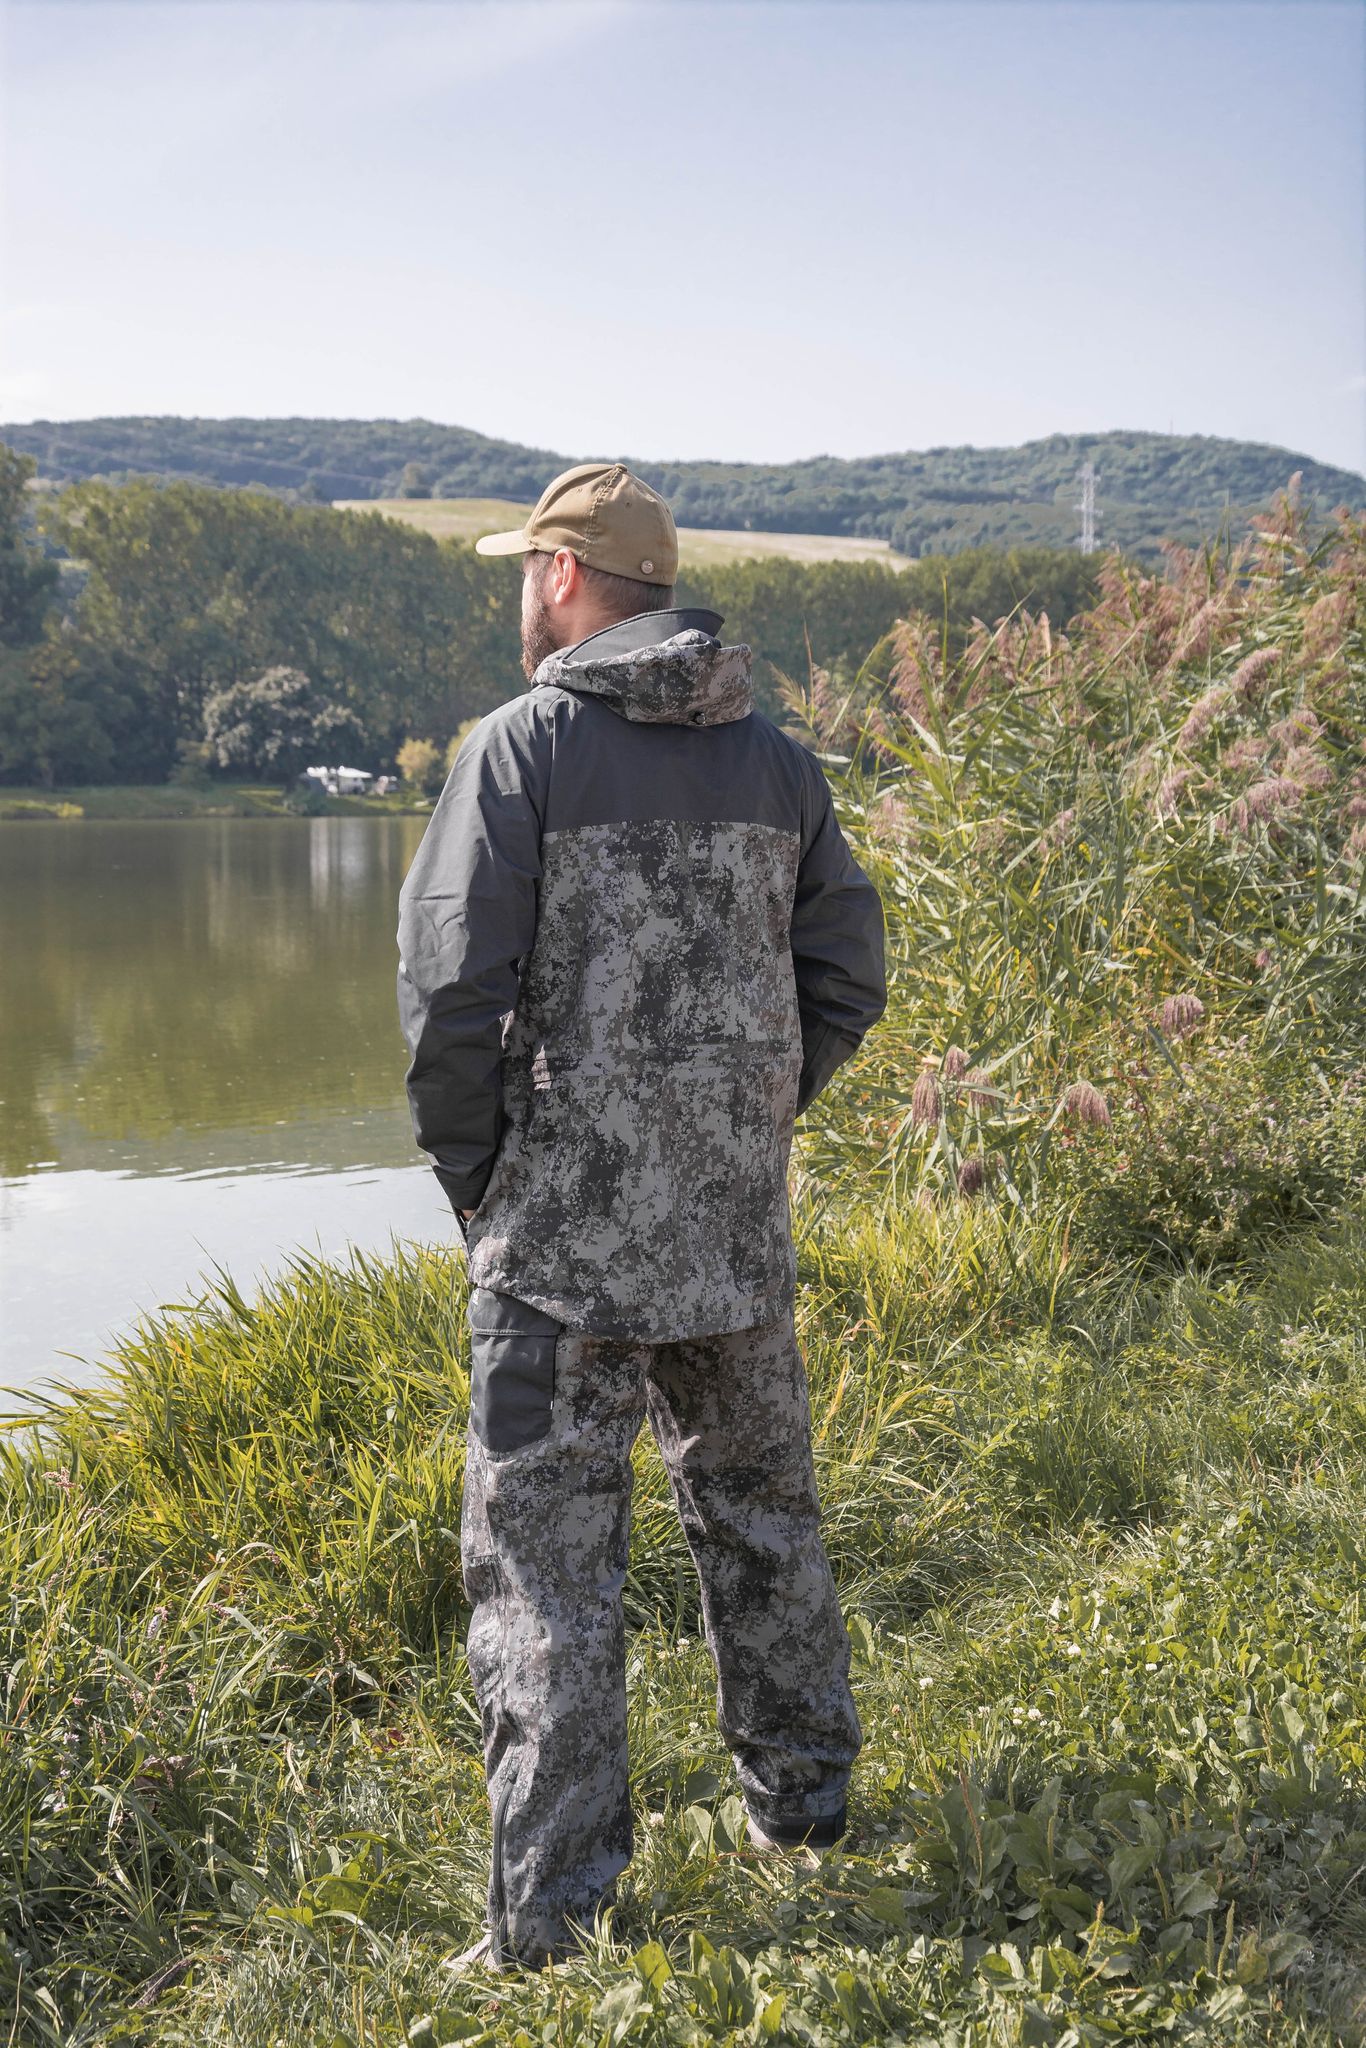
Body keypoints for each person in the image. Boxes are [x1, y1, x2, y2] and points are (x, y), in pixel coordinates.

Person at [395, 460, 886, 1972]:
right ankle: (802, 1814)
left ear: (558, 578)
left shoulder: (523, 746)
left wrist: (488, 1187)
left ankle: (551, 1923)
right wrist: (733, 1128)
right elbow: (844, 977)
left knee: (544, 1569)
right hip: (730, 1239)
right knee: (763, 1524)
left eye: (521, 573)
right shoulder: (780, 766)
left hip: (557, 1255)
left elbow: (448, 1007)